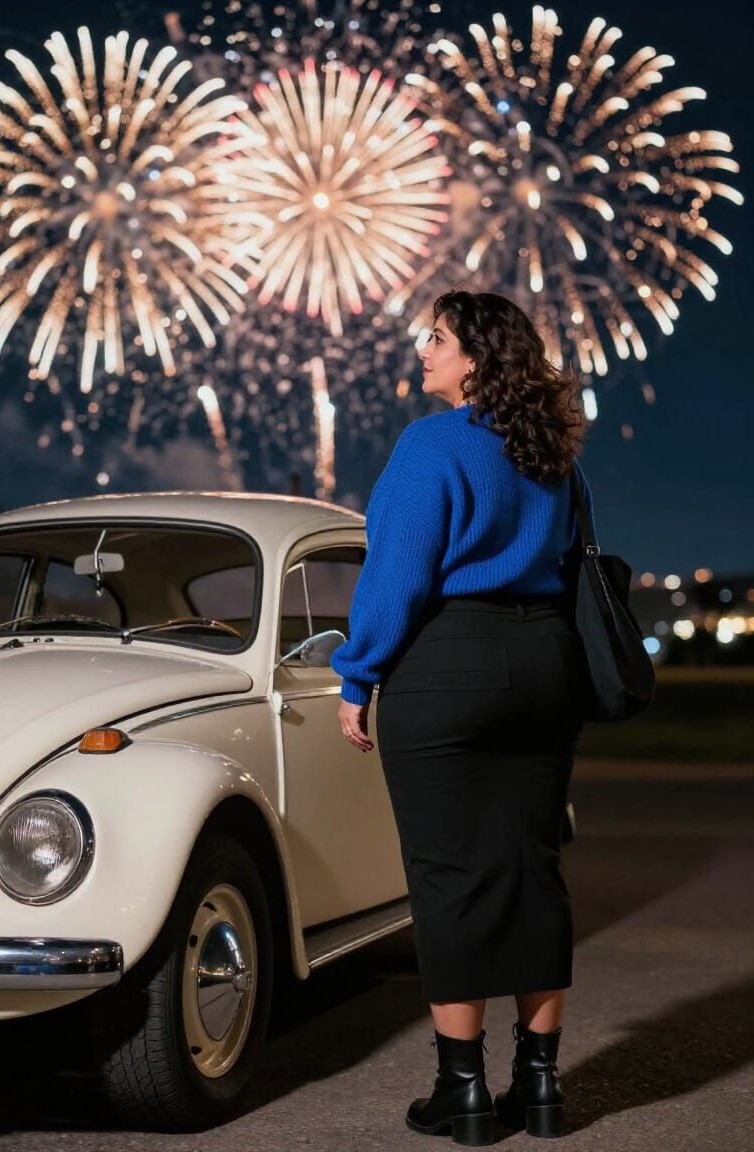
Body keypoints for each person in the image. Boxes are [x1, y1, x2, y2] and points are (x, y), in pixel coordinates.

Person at [331, 289, 593, 1145]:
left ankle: (466, 1093)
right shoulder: (552, 448)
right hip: (546, 663)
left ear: (475, 358)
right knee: (532, 868)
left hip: (452, 664)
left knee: (450, 876)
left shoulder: (431, 444)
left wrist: (357, 674)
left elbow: (398, 573)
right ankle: (543, 1088)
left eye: (436, 338)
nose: (423, 350)